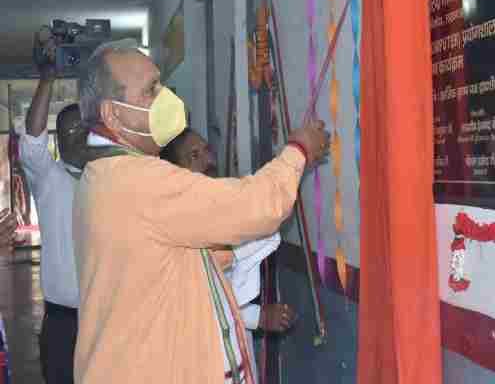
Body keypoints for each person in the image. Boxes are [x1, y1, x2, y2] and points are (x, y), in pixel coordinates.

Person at [73, 39, 328, 384]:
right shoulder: (137, 181)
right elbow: (254, 205)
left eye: (161, 84)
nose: (166, 98)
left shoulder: (101, 176)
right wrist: (298, 150)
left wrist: (228, 255)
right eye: (150, 90)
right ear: (112, 114)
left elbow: (160, 262)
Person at [160, 128, 297, 380]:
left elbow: (224, 293)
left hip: (235, 355)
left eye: (207, 150)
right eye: (194, 156)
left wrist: (257, 316)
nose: (208, 161)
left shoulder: (220, 214)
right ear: (175, 172)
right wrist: (257, 316)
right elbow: (202, 305)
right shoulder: (177, 233)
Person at [19, 36, 88, 384]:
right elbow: (32, 140)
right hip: (62, 322)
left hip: (106, 316)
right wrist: (47, 79)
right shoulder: (49, 178)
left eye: (82, 129)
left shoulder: (110, 180)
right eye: (68, 131)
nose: (77, 136)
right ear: (58, 140)